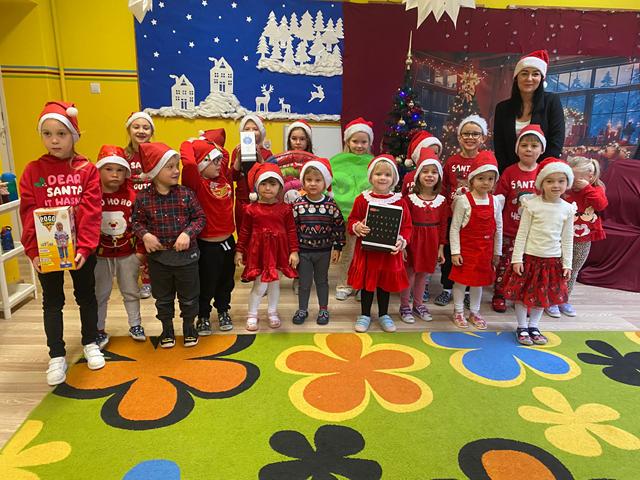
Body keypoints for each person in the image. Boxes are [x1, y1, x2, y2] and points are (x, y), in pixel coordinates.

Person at [19, 101, 104, 386]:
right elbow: (28, 212)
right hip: (47, 250)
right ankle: (56, 354)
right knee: (52, 300)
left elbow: (92, 211)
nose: (54, 140)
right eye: (47, 134)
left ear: (74, 135)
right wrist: (33, 251)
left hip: (80, 248)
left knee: (86, 296)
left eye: (61, 134)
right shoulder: (32, 171)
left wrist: (86, 248)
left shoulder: (86, 169)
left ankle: (90, 342)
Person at [132, 142, 206, 348]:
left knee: (189, 298)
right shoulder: (143, 198)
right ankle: (167, 329)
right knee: (163, 299)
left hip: (187, 259)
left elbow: (200, 218)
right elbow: (136, 222)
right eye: (170, 167)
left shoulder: (186, 194)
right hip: (159, 260)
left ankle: (189, 327)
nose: (176, 171)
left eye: (177, 166)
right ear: (155, 171)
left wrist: (187, 233)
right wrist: (146, 236)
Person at [503, 158, 576, 346]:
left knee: (541, 297)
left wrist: (567, 264)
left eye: (561, 181)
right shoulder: (531, 205)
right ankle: (521, 326)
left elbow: (567, 239)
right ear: (541, 183)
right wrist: (517, 259)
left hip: (552, 261)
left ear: (567, 183)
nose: (555, 185)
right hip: (529, 259)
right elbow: (522, 234)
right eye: (550, 181)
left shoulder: (568, 209)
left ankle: (534, 326)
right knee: (522, 295)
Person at [348, 155, 412, 333]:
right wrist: (357, 226)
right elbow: (352, 220)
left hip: (388, 255)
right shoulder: (362, 199)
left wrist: (401, 240)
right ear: (370, 177)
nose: (382, 178)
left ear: (394, 178)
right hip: (367, 253)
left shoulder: (400, 201)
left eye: (387, 175)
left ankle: (384, 314)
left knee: (384, 285)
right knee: (367, 285)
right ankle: (365, 314)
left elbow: (407, 226)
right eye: (378, 174)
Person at [180, 136, 236, 334]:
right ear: (202, 164)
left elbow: (225, 152)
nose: (220, 164)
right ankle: (203, 315)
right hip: (207, 245)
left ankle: (223, 310)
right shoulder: (197, 183)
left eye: (220, 161)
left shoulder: (223, 178)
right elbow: (188, 164)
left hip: (228, 241)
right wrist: (191, 143)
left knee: (226, 282)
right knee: (206, 283)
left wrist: (209, 141)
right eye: (215, 161)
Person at [234, 163, 299, 331]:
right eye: (263, 184)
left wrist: (294, 251)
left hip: (278, 252)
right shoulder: (251, 209)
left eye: (272, 184)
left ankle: (272, 311)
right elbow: (244, 231)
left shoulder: (285, 209)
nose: (268, 188)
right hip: (259, 253)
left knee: (274, 284)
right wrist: (239, 250)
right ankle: (252, 314)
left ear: (280, 187)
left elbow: (291, 231)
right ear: (257, 186)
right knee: (260, 285)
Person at [94, 145, 146, 349]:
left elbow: (141, 224)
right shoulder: (92, 196)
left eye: (120, 170)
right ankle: (98, 329)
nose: (115, 174)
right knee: (100, 293)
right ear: (98, 170)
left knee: (131, 290)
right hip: (100, 255)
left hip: (127, 253)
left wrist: (141, 251)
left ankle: (135, 325)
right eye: (109, 169)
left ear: (126, 172)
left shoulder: (132, 196)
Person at [435, 115, 488, 307]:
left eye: (475, 134)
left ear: (483, 137)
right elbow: (444, 188)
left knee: (470, 255)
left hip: (475, 219)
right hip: (453, 216)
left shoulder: (484, 161)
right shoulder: (451, 161)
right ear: (459, 137)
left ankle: (467, 290)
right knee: (451, 254)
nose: (470, 137)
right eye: (466, 134)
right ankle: (447, 288)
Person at [492, 125, 546, 312]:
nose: (529, 149)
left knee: (527, 266)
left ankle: (523, 297)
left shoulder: (543, 173)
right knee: (505, 265)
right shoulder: (509, 172)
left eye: (534, 146)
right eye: (524, 145)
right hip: (510, 230)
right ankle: (500, 294)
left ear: (541, 149)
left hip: (533, 233)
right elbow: (499, 199)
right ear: (517, 149)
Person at [547, 156, 607, 317]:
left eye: (577, 178)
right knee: (556, 269)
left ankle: (563, 299)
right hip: (560, 237)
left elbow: (601, 205)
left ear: (590, 176)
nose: (574, 182)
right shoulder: (565, 190)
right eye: (571, 178)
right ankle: (551, 300)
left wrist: (587, 188)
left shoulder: (596, 189)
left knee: (573, 270)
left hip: (583, 239)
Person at [449, 151, 503, 329]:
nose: (485, 182)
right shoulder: (463, 201)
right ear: (472, 180)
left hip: (485, 252)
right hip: (466, 251)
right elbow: (455, 228)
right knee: (461, 282)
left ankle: (474, 311)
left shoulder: (495, 202)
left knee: (478, 283)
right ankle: (458, 311)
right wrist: (455, 252)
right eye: (481, 178)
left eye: (490, 179)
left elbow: (499, 229)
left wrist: (497, 252)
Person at [291, 158, 346, 325]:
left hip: (324, 251)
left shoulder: (331, 205)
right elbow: (291, 229)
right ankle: (302, 309)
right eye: (309, 180)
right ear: (303, 182)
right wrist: (293, 251)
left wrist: (338, 247)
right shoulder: (298, 204)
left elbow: (338, 225)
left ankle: (323, 309)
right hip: (304, 252)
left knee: (322, 281)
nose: (313, 184)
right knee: (304, 283)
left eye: (317, 180)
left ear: (325, 183)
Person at [494, 50, 565, 173]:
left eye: (535, 74)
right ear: (516, 77)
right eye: (524, 73)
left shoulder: (552, 101)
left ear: (541, 78)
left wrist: (540, 172)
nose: (529, 78)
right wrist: (509, 174)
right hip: (509, 174)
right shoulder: (502, 108)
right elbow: (500, 146)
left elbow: (556, 141)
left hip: (543, 174)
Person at [399, 149, 447, 323]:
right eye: (425, 171)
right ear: (418, 175)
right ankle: (405, 306)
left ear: (439, 177)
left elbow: (443, 226)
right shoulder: (409, 199)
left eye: (434, 172)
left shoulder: (442, 200)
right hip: (413, 241)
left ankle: (418, 304)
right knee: (409, 274)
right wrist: (403, 245)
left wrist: (441, 248)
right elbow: (404, 224)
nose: (429, 175)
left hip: (431, 243)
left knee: (423, 276)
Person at [330, 117, 375, 301]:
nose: (359, 145)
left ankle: (362, 285)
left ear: (369, 142)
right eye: (355, 141)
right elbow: (330, 185)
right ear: (347, 141)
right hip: (346, 215)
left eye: (364, 142)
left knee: (366, 252)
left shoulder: (373, 162)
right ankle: (344, 283)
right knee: (348, 251)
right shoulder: (336, 161)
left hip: (369, 215)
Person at [124, 112, 155, 299]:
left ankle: (149, 281)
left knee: (148, 246)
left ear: (152, 131)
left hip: (152, 208)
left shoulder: (155, 153)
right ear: (129, 130)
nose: (141, 131)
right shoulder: (124, 155)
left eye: (146, 127)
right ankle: (132, 279)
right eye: (136, 127)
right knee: (134, 247)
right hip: (130, 208)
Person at [231, 115, 273, 233]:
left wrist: (260, 158)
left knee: (260, 231)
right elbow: (233, 177)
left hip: (262, 199)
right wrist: (238, 158)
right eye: (247, 129)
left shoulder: (267, 153)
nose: (251, 132)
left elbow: (270, 176)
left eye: (255, 129)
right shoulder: (237, 151)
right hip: (242, 199)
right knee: (243, 231)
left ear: (261, 132)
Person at [401, 130, 443, 196]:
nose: (431, 156)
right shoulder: (408, 177)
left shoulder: (439, 177)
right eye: (427, 152)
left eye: (435, 153)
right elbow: (403, 196)